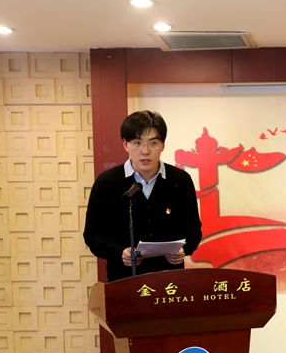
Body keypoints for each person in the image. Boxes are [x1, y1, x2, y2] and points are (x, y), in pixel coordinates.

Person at [84, 111, 203, 282]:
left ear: (163, 145)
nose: (145, 151)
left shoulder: (180, 180)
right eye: (137, 143)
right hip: (123, 279)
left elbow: (193, 229)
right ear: (125, 144)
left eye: (153, 143)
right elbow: (92, 233)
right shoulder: (107, 182)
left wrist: (184, 249)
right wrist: (120, 252)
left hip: (170, 280)